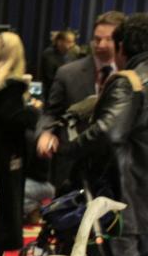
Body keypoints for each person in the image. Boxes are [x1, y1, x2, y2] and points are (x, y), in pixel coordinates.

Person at [57, 13, 148, 256]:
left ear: (123, 48)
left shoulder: (128, 81)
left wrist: (69, 150)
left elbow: (109, 132)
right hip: (142, 200)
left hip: (118, 201)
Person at [36, 11, 126, 186]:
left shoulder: (131, 78)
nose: (101, 45)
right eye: (97, 39)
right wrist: (45, 133)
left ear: (121, 42)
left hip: (117, 172)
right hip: (72, 170)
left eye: (108, 39)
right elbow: (51, 113)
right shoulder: (68, 73)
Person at [0, 32, 34, 256]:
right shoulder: (11, 87)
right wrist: (34, 113)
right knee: (7, 210)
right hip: (8, 156)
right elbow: (12, 119)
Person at [40, 29, 79, 101]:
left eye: (73, 42)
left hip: (67, 94)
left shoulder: (72, 54)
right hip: (52, 94)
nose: (72, 45)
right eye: (69, 42)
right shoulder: (49, 54)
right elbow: (50, 78)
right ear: (60, 42)